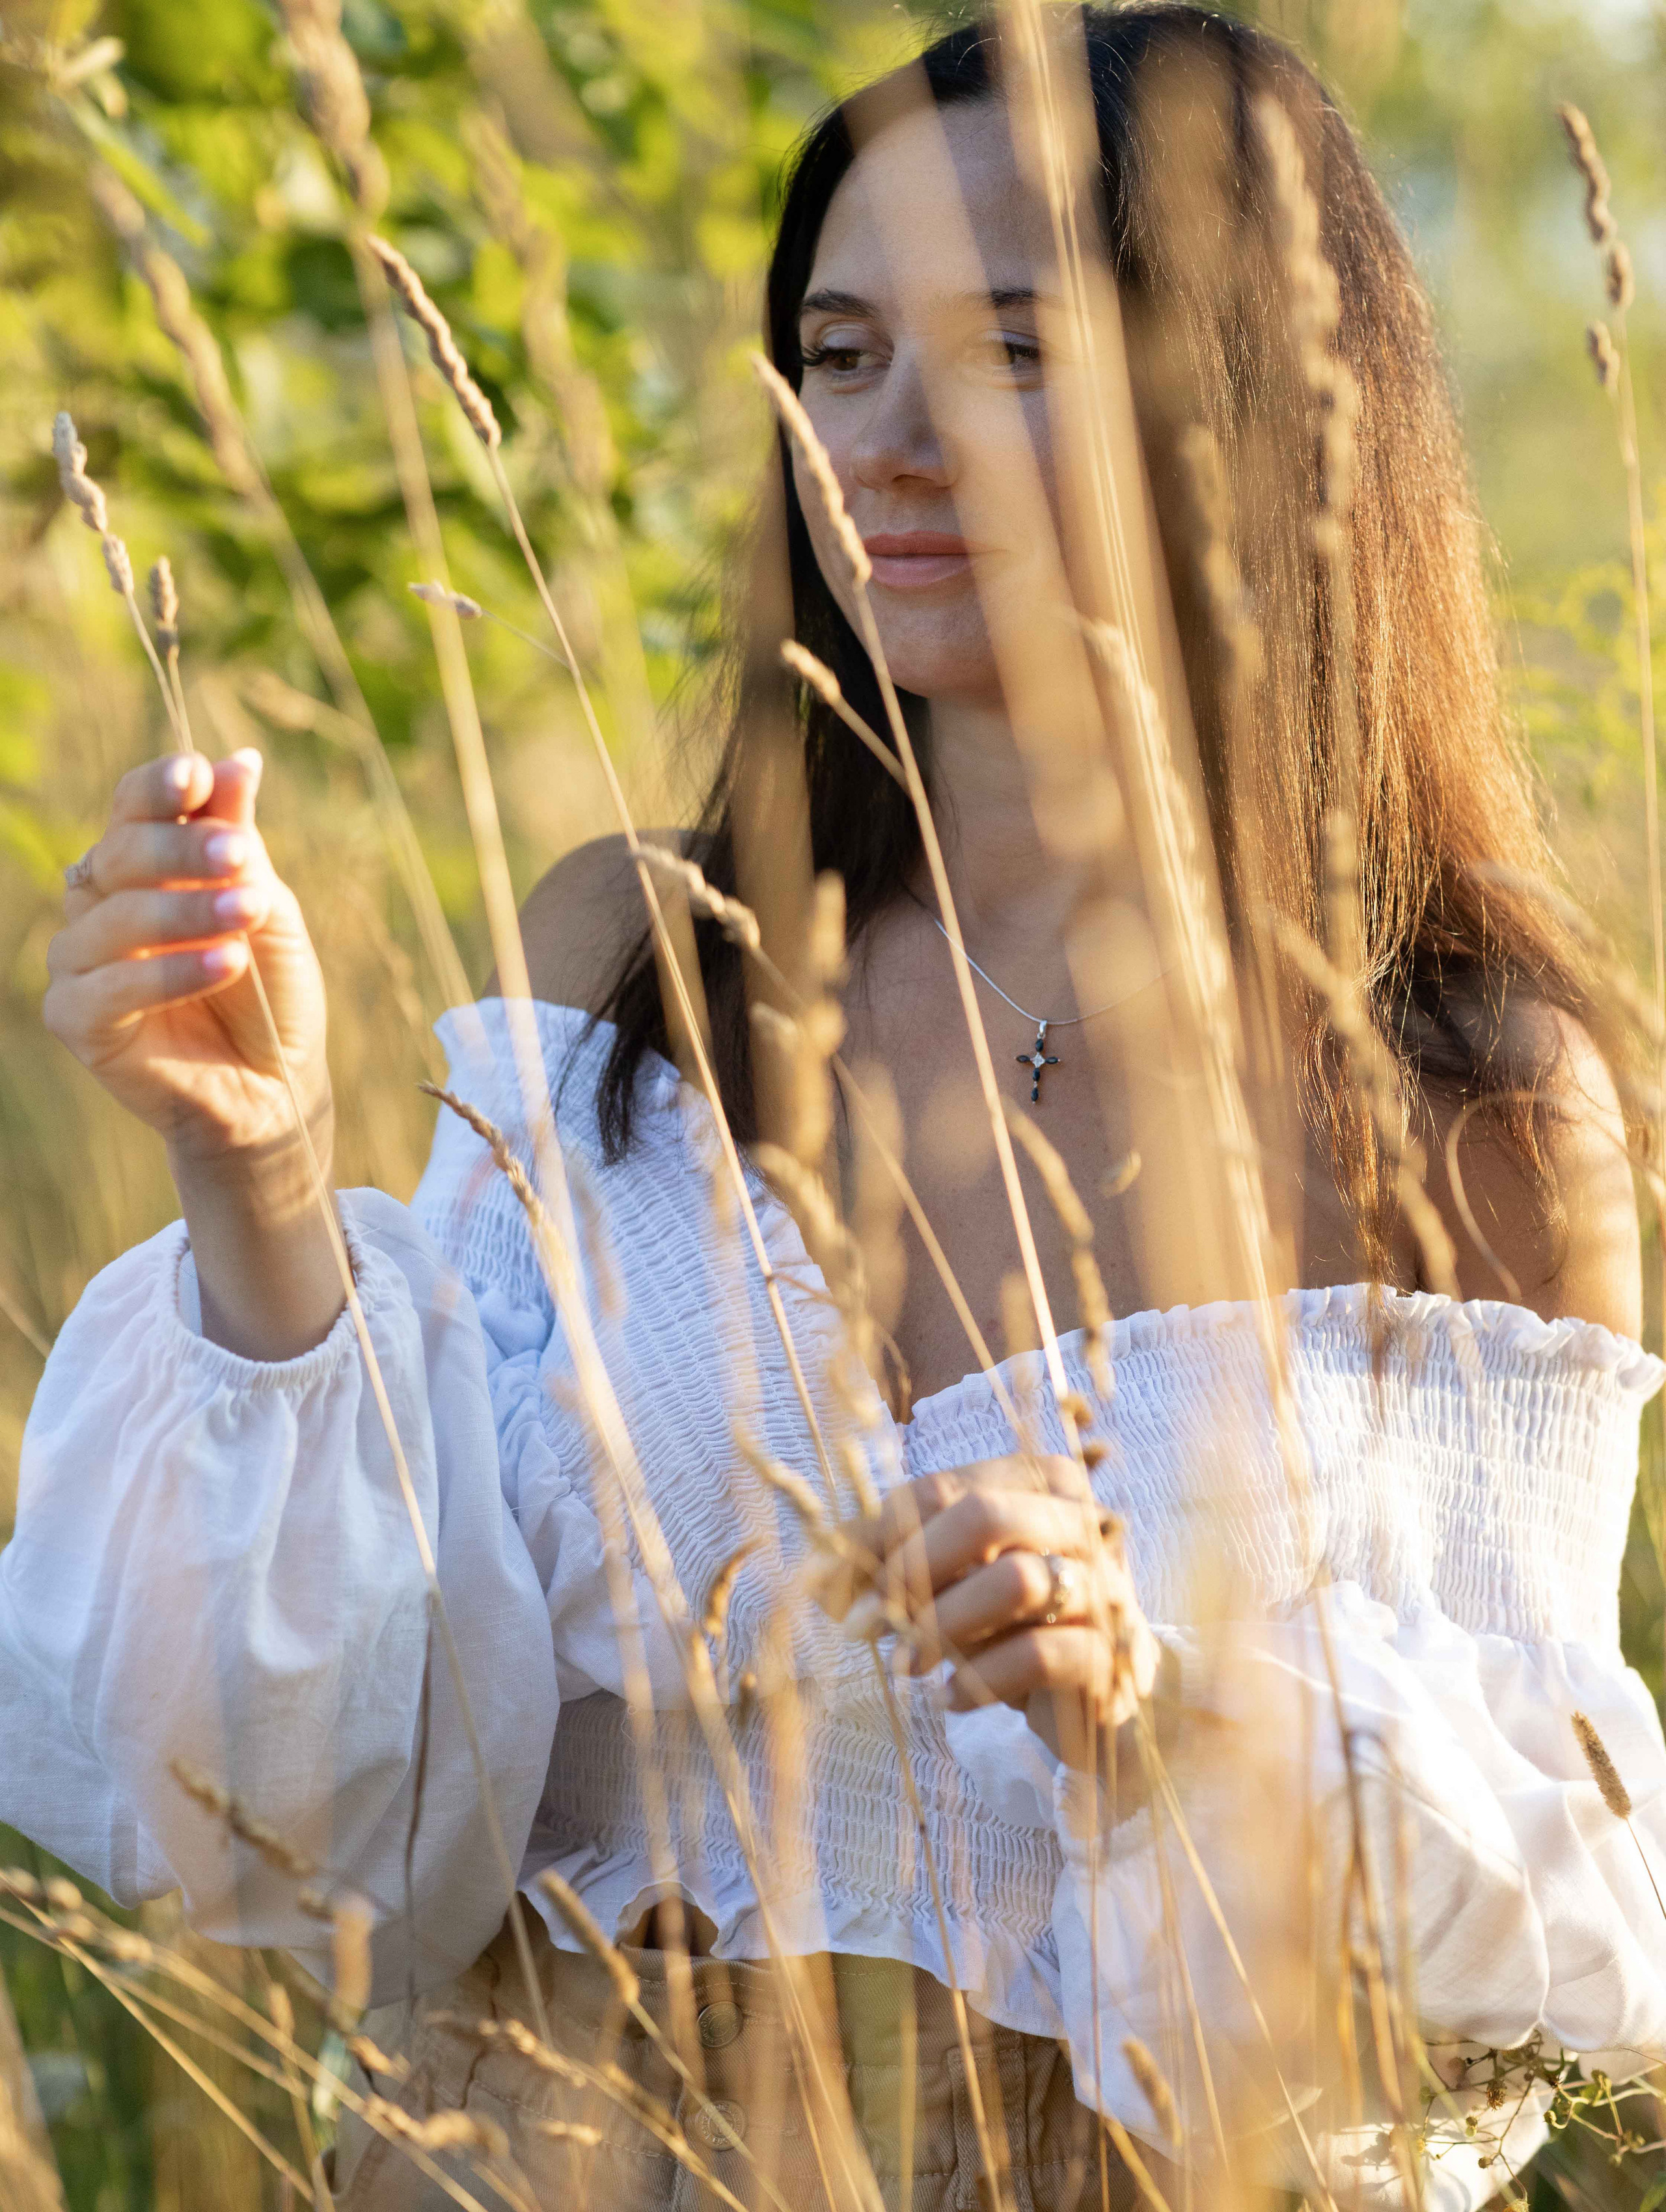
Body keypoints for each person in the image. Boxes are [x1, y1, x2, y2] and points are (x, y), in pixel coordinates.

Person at [5, 8, 1666, 2208]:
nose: (879, 436)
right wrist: (265, 1174)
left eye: (1011, 348)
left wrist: (1155, 1714)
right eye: (839, 347)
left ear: (1247, 394)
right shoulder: (639, 966)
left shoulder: (1461, 1086)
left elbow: (1548, 1960)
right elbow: (333, 1828)